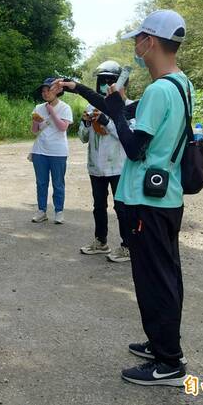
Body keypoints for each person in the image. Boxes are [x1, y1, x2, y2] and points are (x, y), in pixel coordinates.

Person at [97, 10, 193, 387]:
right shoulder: (182, 83)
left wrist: (119, 111)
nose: (135, 46)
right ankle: (162, 345)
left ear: (150, 42)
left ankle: (168, 363)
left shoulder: (157, 90)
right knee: (166, 275)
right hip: (166, 196)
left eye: (138, 39)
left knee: (155, 280)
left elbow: (135, 149)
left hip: (148, 203)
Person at [56, 61, 134, 263]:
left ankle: (127, 246)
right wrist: (85, 122)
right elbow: (83, 138)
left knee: (121, 207)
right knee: (98, 206)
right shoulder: (93, 105)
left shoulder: (128, 106)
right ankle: (101, 241)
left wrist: (107, 122)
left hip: (118, 166)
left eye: (110, 80)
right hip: (96, 166)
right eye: (102, 80)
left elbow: (130, 138)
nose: (105, 84)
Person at [30, 78, 73, 224]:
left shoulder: (65, 107)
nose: (45, 93)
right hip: (39, 151)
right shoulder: (38, 107)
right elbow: (34, 131)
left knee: (58, 183)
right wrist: (36, 122)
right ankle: (42, 211)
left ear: (57, 90)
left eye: (48, 90)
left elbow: (63, 127)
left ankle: (59, 212)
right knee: (41, 182)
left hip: (58, 152)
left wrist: (51, 112)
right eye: (43, 91)